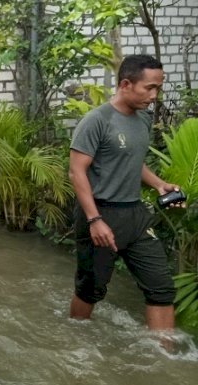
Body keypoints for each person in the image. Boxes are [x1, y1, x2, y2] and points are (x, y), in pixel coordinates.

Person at [68, 54, 177, 332]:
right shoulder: (96, 121)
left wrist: (159, 184)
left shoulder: (142, 120)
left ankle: (165, 358)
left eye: (158, 88)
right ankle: (77, 342)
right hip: (101, 214)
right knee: (90, 289)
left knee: (161, 287)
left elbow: (132, 160)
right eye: (149, 88)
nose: (154, 95)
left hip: (135, 215)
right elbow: (76, 172)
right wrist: (94, 220)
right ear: (126, 84)